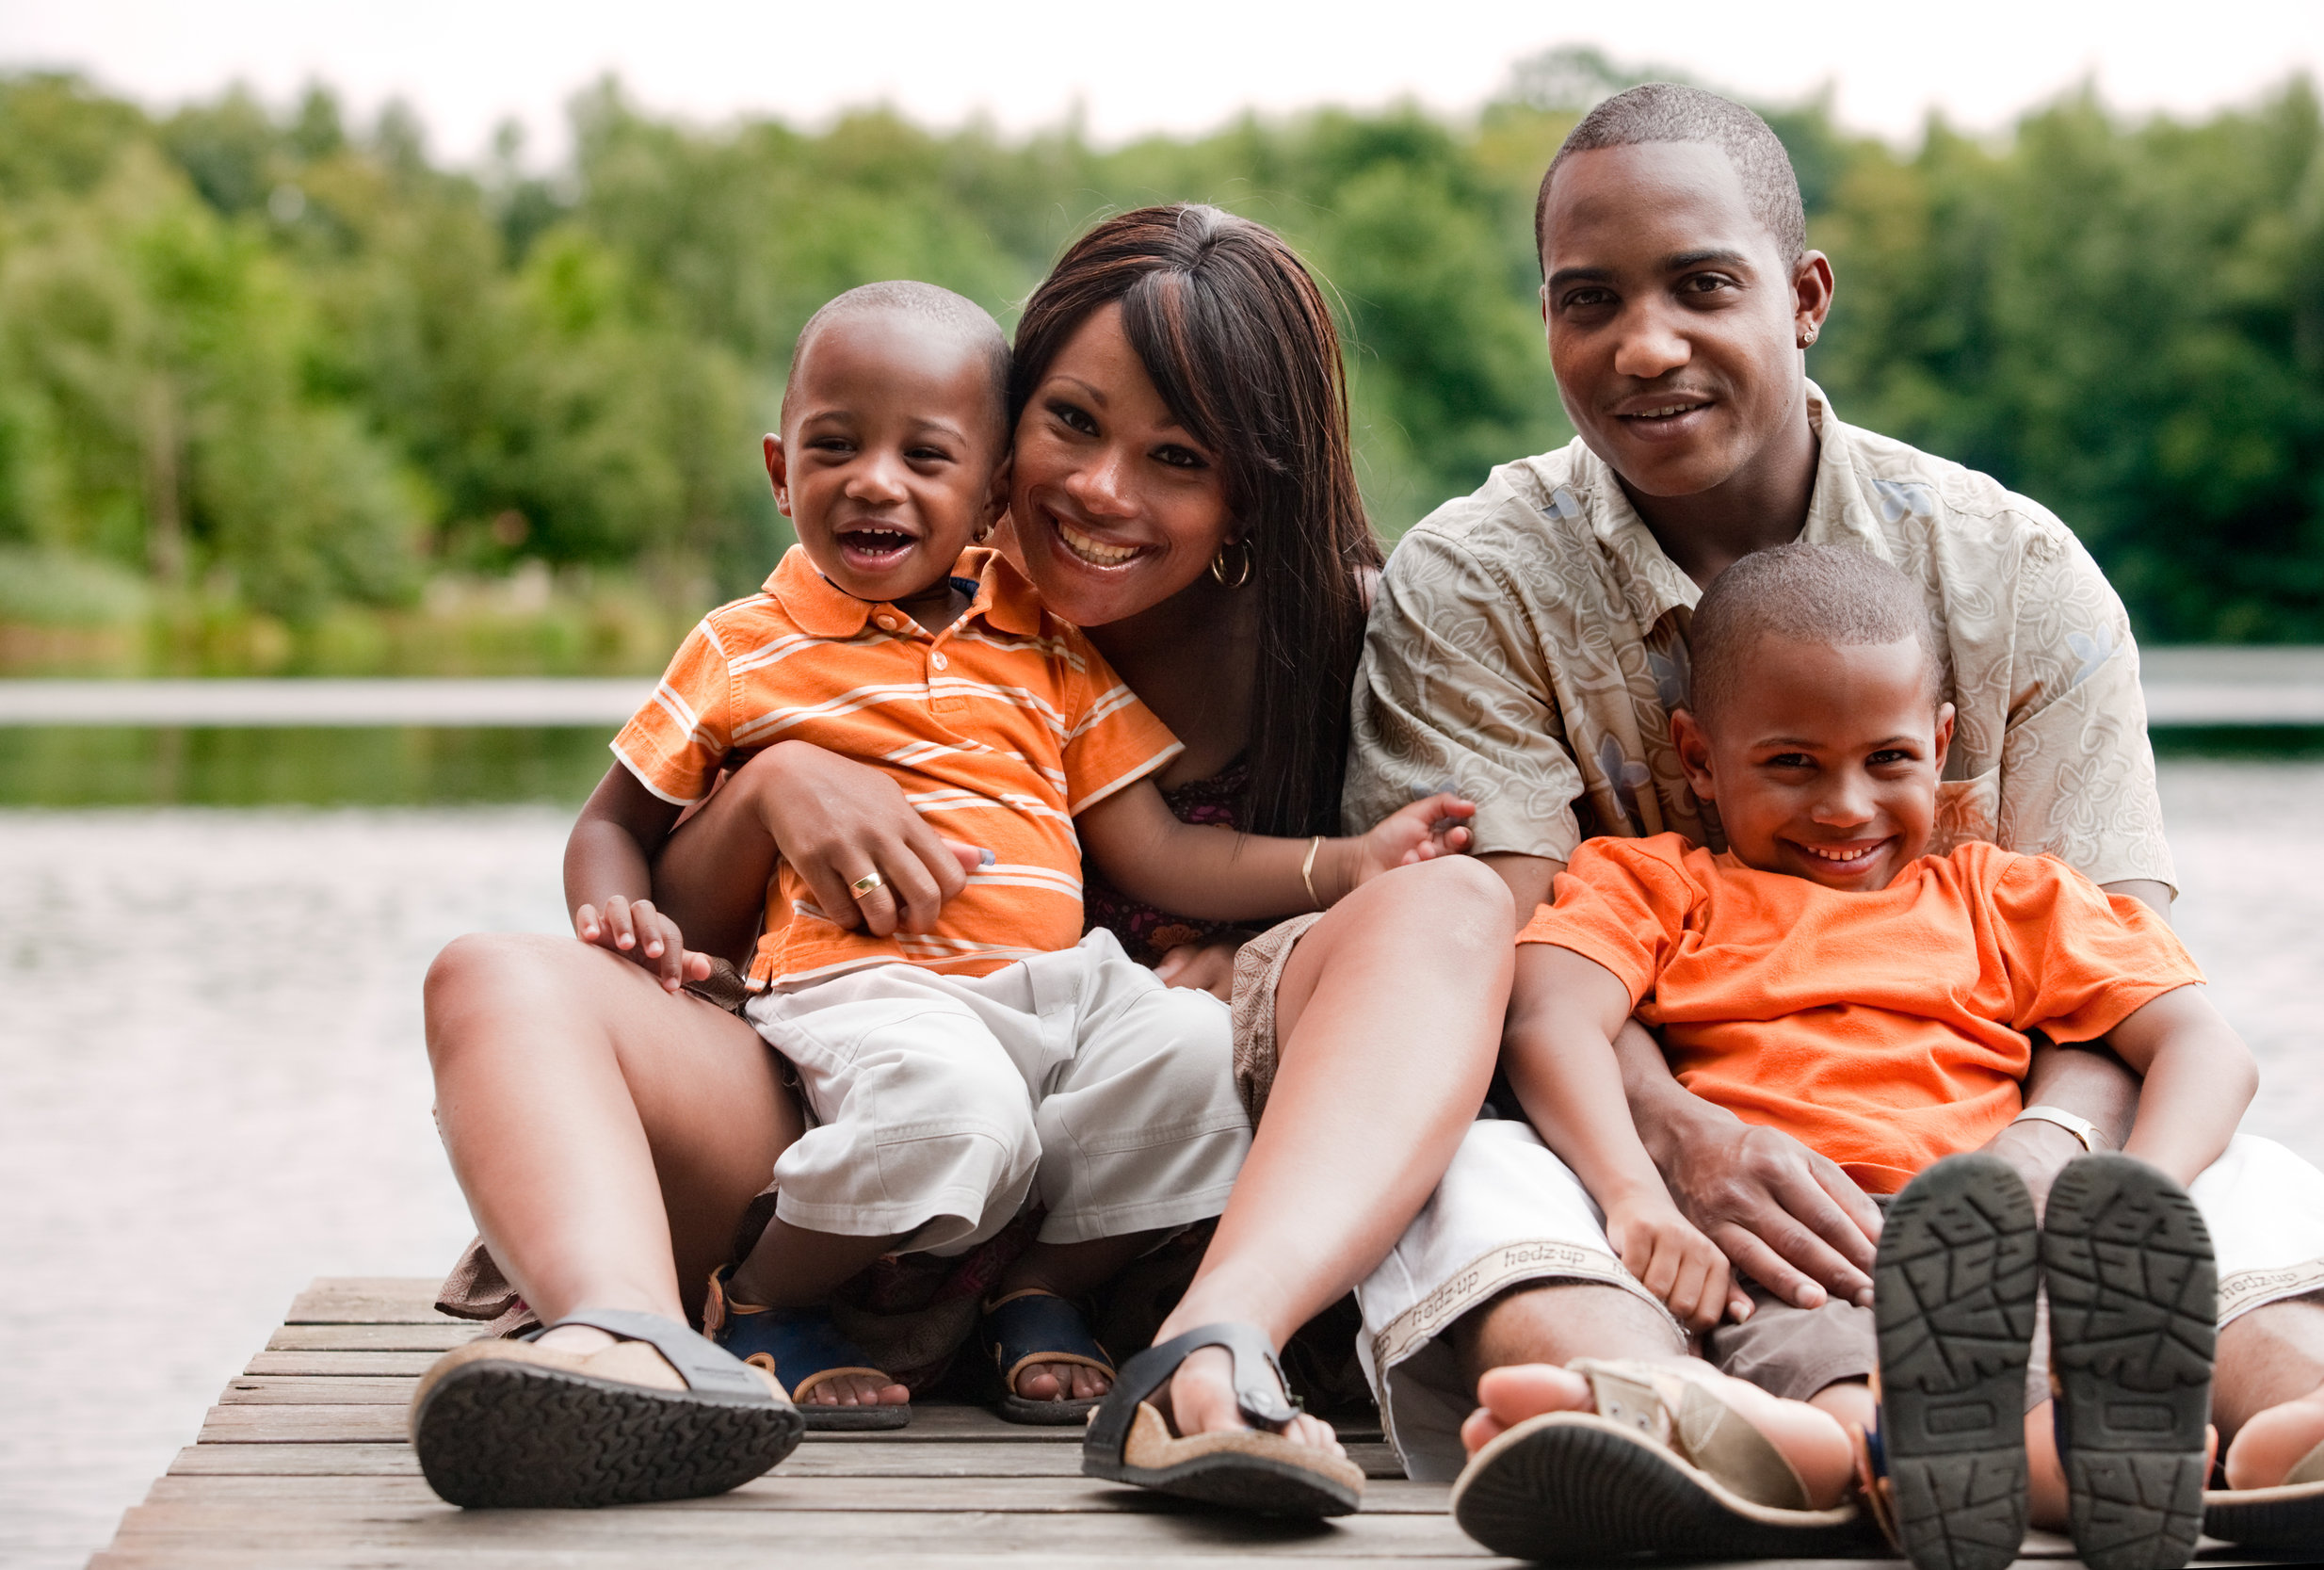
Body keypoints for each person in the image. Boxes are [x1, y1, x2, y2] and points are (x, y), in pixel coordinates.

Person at [1342, 80, 2324, 1557]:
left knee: (2236, 1175)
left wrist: (2045, 1170)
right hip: (1649, 1136)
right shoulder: (1473, 581)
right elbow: (1503, 969)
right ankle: (1665, 1419)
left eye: (1702, 287)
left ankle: (2280, 1421)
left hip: (1996, 1142)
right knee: (1461, 1154)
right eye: (1587, 300)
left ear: (1804, 298)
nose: (1643, 345)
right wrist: (1673, 1144)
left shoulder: (2016, 576)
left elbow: (2139, 991)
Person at [415, 208, 1519, 1514]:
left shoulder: (1356, 641)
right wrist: (770, 793)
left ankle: (1211, 1352)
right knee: (492, 973)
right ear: (1005, 435)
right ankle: (627, 1338)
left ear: (1251, 486)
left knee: (1447, 900)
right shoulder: (853, 604)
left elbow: (1325, 894)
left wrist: (1294, 924)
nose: (1101, 488)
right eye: (1071, 422)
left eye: (1175, 455)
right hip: (845, 1119)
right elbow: (671, 905)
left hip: (1130, 1163)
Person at [1450, 542, 2256, 1570]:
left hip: (1995, 1239)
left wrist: (2130, 1193)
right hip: (1795, 1242)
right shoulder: (1655, 884)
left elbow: (2202, 1043)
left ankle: (2137, 1456)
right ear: (1697, 758)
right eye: (1790, 762)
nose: (1844, 806)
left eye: (1888, 759)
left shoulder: (2004, 896)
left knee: (2051, 1392)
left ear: (1940, 740)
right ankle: (1865, 1447)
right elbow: (1546, 1016)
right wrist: (1633, 1194)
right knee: (1836, 1372)